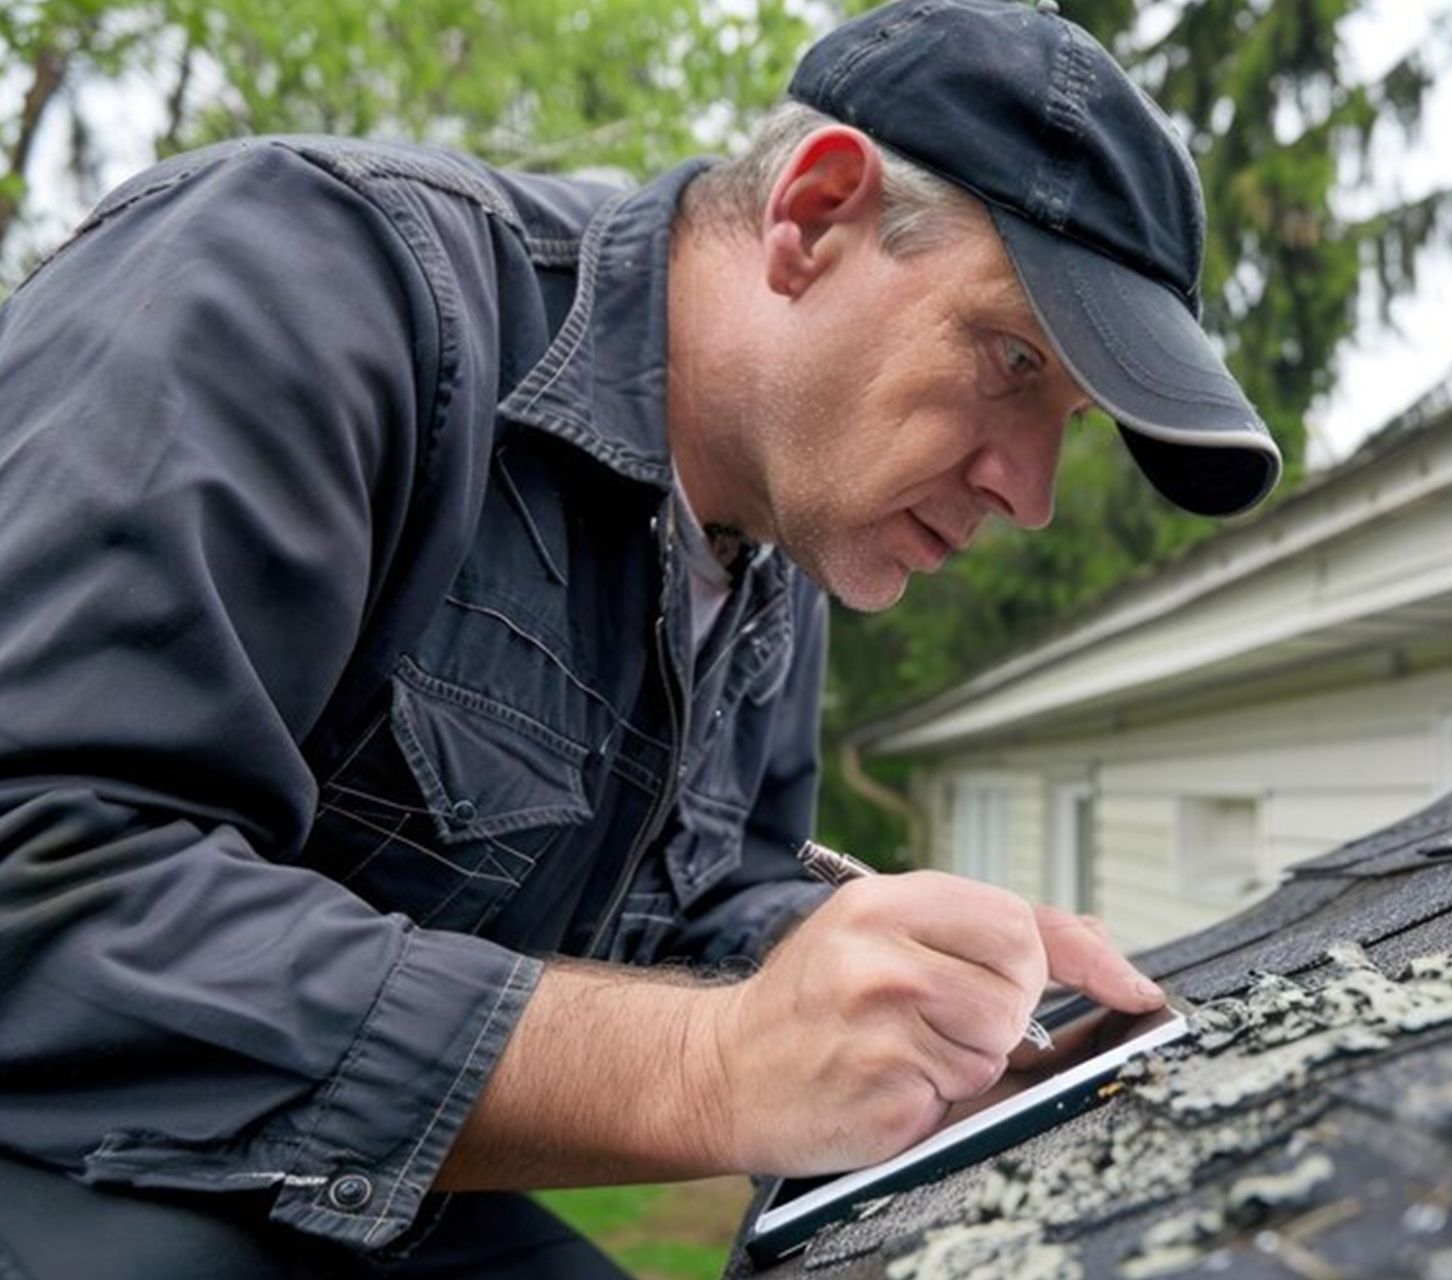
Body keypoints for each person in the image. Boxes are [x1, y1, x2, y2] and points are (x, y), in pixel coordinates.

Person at [0, 0, 1281, 1274]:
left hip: (379, 1196)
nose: (1032, 494)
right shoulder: (303, 278)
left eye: (1070, 420)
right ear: (814, 215)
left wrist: (917, 995)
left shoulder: (777, 559)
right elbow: (44, 880)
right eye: (1013, 359)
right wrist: (707, 1065)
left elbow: (701, 899)